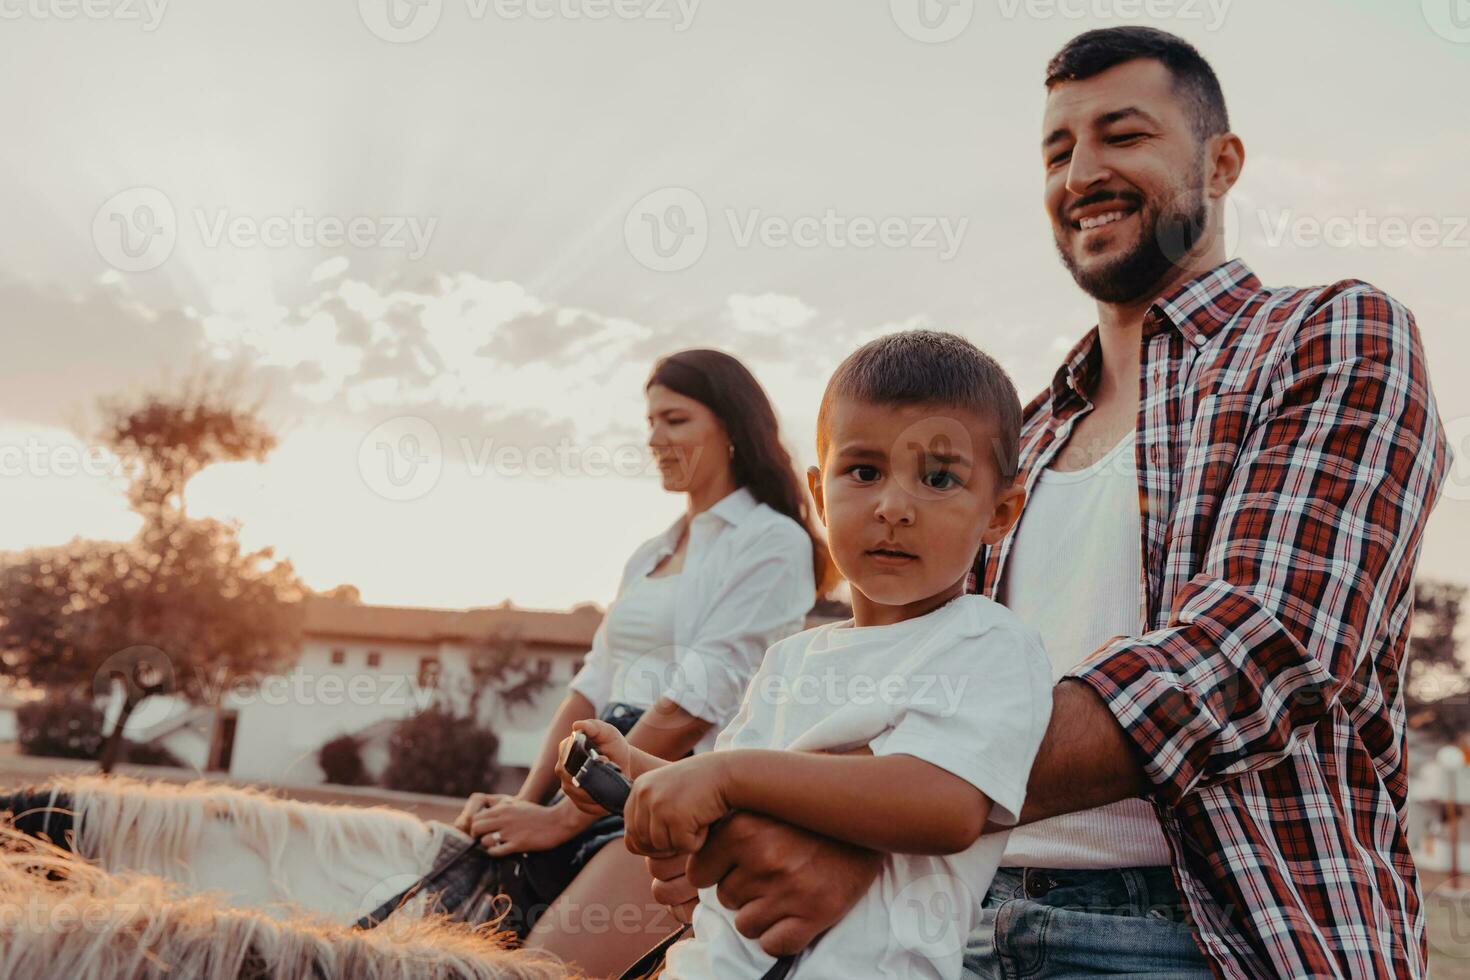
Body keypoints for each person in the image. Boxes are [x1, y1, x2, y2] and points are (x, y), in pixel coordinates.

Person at [643, 27, 1452, 980]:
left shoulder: (1328, 337)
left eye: (1124, 136)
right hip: (950, 920)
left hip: (1203, 934)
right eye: (1057, 151)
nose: (1083, 173)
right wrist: (794, 815)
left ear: (1222, 163)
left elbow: (1260, 643)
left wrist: (868, 813)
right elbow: (908, 679)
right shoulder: (1012, 436)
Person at [559, 330, 1054, 978]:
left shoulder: (990, 643)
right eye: (864, 471)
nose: (894, 506)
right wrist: (642, 772)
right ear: (820, 496)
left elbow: (945, 803)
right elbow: (733, 801)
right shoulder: (790, 662)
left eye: (938, 478)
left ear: (1001, 511)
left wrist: (722, 778)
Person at [452, 348, 829, 975]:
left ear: (732, 428)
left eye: (675, 420)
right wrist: (522, 809)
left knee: (544, 969)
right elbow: (589, 687)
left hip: (675, 797)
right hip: (588, 774)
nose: (654, 437)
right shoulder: (650, 552)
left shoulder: (773, 542)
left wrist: (564, 818)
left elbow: (693, 704)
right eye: (650, 421)